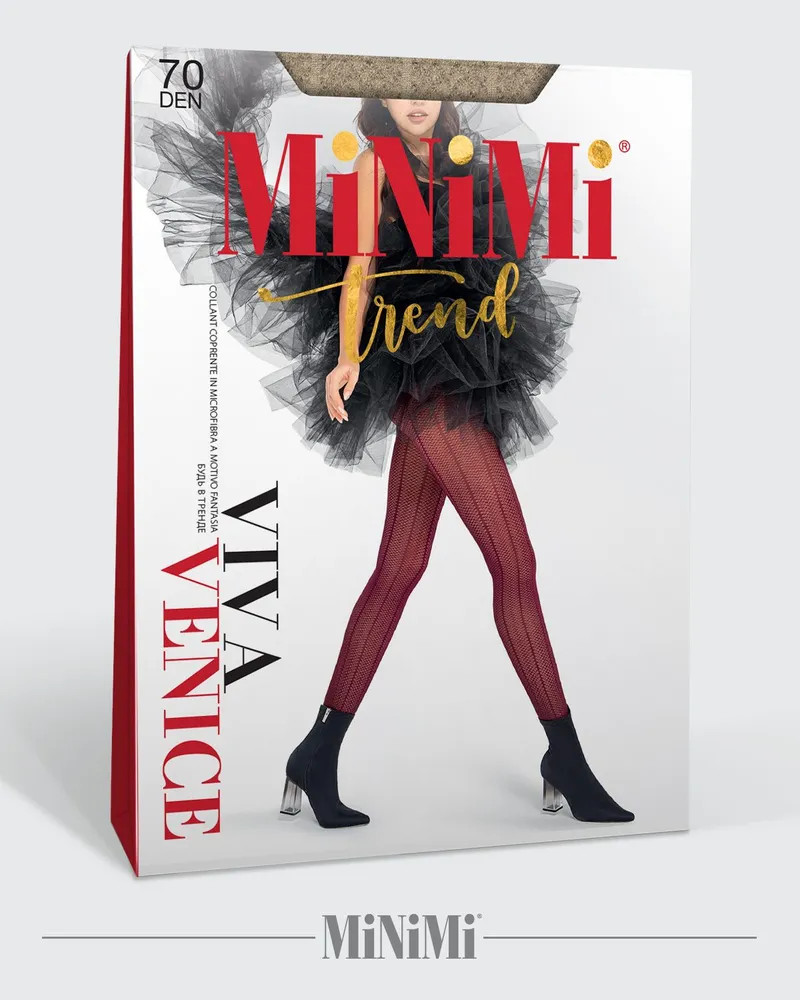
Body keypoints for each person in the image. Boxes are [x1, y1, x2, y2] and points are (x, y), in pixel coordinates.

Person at [274, 98, 634, 828]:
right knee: (515, 562)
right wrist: (348, 357)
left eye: (430, 86)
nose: (417, 100)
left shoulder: (468, 162)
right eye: (403, 87)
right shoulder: (376, 164)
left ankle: (317, 751)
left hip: (468, 354)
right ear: (382, 97)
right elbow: (359, 265)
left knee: (400, 568)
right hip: (415, 365)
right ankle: (565, 755)